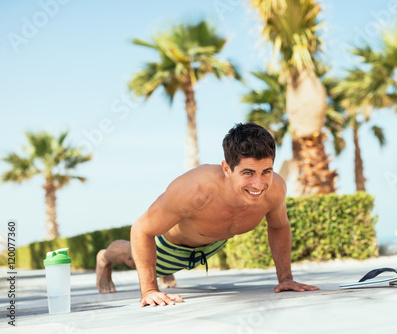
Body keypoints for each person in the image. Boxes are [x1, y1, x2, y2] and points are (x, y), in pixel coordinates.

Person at [96, 123, 319, 307]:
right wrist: (149, 290)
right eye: (248, 173)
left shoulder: (275, 189)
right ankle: (104, 257)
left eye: (266, 172)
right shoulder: (194, 190)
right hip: (173, 246)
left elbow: (279, 226)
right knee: (129, 256)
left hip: (215, 239)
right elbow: (141, 229)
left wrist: (286, 279)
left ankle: (166, 273)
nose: (259, 184)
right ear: (226, 168)